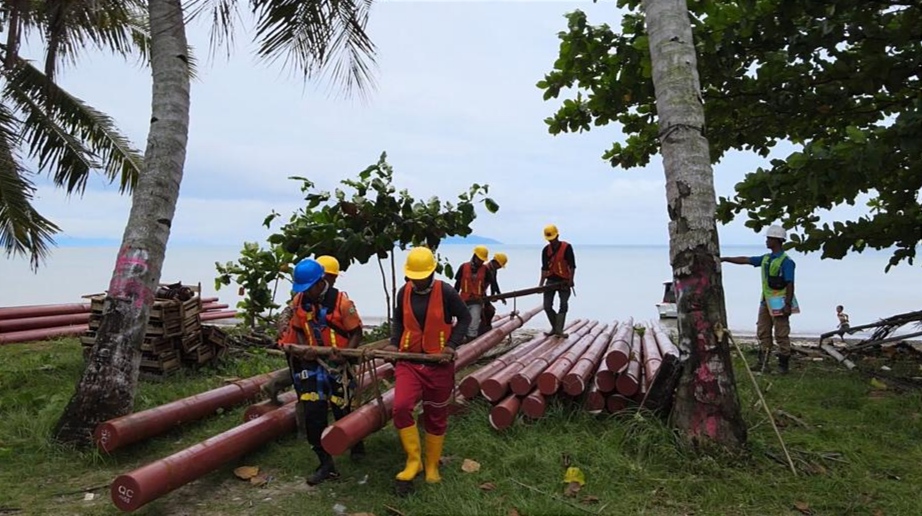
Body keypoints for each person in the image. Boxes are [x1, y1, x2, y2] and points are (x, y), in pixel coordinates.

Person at [382, 247, 471, 495]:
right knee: (401, 406)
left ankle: (432, 465)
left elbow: (464, 318)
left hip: (438, 363)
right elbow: (398, 319)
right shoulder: (404, 292)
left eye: (421, 276)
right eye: (413, 276)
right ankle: (414, 461)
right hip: (409, 360)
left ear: (431, 272)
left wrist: (451, 346)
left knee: (436, 413)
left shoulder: (446, 292)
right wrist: (393, 341)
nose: (417, 280)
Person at [277, 257, 365, 485]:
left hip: (338, 365)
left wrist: (345, 354)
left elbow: (356, 332)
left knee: (342, 409)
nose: (305, 292)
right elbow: (297, 329)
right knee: (312, 414)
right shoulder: (299, 301)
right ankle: (326, 465)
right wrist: (303, 350)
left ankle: (356, 443)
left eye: (308, 288)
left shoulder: (343, 304)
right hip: (312, 364)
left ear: (319, 283)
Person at [720, 225, 798, 374]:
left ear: (778, 240)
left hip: (780, 303)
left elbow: (790, 284)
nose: (767, 241)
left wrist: (787, 305)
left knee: (781, 334)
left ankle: (783, 367)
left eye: (769, 238)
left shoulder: (786, 261)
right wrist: (725, 259)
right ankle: (763, 363)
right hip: (766, 302)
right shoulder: (766, 259)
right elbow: (746, 260)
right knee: (763, 332)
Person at [454, 245, 498, 343]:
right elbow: (457, 284)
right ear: (474, 256)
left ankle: (470, 341)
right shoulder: (463, 267)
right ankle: (459, 339)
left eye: (482, 260)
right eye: (479, 259)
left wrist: (491, 297)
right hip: (463, 300)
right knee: (462, 321)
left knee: (474, 322)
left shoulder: (485, 270)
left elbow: (492, 283)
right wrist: (453, 299)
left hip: (477, 301)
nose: (481, 262)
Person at [539, 224, 576, 338]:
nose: (551, 242)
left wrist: (571, 280)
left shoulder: (567, 247)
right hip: (550, 280)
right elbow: (544, 269)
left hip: (564, 281)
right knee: (547, 306)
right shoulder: (545, 250)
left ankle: (558, 330)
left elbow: (572, 266)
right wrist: (540, 285)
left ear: (557, 236)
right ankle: (556, 328)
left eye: (553, 239)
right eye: (549, 240)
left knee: (563, 305)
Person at [479, 253, 508, 335]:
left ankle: (486, 328)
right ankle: (482, 330)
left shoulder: (493, 270)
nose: (499, 268)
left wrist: (498, 295)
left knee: (490, 311)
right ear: (496, 262)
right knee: (486, 312)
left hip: (483, 293)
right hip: (478, 293)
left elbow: (494, 283)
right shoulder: (485, 269)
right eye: (500, 265)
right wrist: (487, 298)